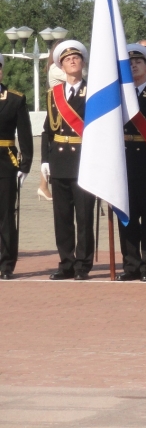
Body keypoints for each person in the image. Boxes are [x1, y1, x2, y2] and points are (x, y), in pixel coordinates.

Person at [42, 40, 95, 280]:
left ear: (82, 62)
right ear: (61, 66)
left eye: (76, 58)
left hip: (84, 161)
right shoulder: (54, 94)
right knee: (62, 218)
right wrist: (45, 160)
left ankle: (82, 265)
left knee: (84, 218)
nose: (72, 61)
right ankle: (66, 263)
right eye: (66, 59)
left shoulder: (93, 91)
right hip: (60, 162)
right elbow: (47, 130)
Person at [117, 44, 146, 282]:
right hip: (124, 163)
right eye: (130, 63)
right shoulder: (117, 97)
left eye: (138, 62)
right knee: (127, 217)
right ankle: (130, 265)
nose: (134, 66)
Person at [0, 52, 32, 279]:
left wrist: (25, 164)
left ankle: (5, 263)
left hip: (5, 162)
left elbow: (25, 135)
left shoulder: (14, 99)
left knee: (5, 215)